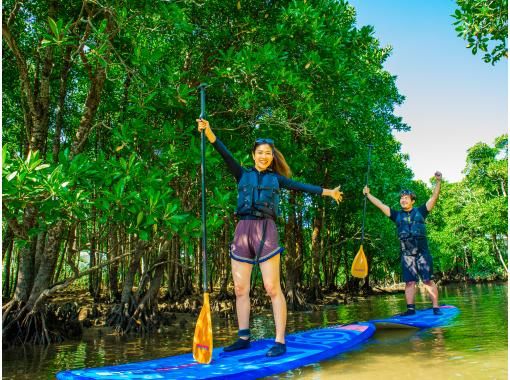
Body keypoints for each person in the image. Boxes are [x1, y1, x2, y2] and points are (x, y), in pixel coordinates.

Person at [197, 119, 343, 357]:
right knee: (240, 288)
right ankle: (243, 337)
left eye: (268, 153)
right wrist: (209, 131)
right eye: (260, 152)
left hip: (266, 231)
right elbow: (222, 152)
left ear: (272, 157)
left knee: (272, 287)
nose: (264, 156)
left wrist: (328, 192)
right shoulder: (241, 173)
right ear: (253, 155)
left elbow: (301, 186)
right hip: (243, 230)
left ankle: (280, 340)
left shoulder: (277, 179)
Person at [363, 172, 443, 316]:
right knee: (410, 283)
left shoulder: (421, 211)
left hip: (422, 253)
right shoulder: (396, 215)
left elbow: (434, 197)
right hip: (407, 255)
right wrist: (368, 195)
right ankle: (411, 310)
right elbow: (380, 205)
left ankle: (436, 308)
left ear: (412, 201)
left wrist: (438, 181)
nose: (403, 200)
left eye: (406, 198)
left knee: (427, 281)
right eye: (401, 198)